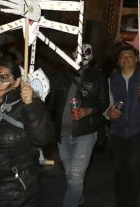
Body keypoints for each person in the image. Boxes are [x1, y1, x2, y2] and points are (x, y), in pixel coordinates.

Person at [0, 61, 53, 206]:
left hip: (16, 191)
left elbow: (42, 138)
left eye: (3, 77)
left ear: (16, 82)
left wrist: (31, 105)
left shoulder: (26, 106)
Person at [47, 44, 109, 207]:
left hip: (86, 133)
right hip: (63, 134)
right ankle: (78, 199)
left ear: (91, 56)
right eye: (76, 52)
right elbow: (50, 105)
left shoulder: (98, 77)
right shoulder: (60, 76)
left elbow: (105, 104)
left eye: (84, 53)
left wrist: (88, 111)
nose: (79, 56)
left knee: (75, 176)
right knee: (70, 175)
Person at [105, 45, 140, 207]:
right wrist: (109, 113)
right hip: (118, 130)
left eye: (129, 55)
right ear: (118, 61)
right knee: (119, 171)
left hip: (139, 129)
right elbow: (108, 105)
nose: (126, 58)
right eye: (122, 56)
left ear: (136, 59)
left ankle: (131, 202)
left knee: (133, 168)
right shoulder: (112, 80)